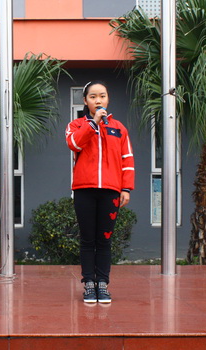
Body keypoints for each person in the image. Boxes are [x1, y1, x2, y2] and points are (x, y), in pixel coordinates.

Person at [65, 81, 135, 304]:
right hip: (84, 190)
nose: (98, 100)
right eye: (93, 97)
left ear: (108, 99)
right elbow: (74, 144)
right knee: (87, 240)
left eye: (102, 96)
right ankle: (89, 284)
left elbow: (127, 159)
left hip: (110, 191)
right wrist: (93, 123)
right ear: (85, 101)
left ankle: (102, 284)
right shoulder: (76, 125)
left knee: (104, 240)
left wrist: (126, 188)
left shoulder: (119, 128)